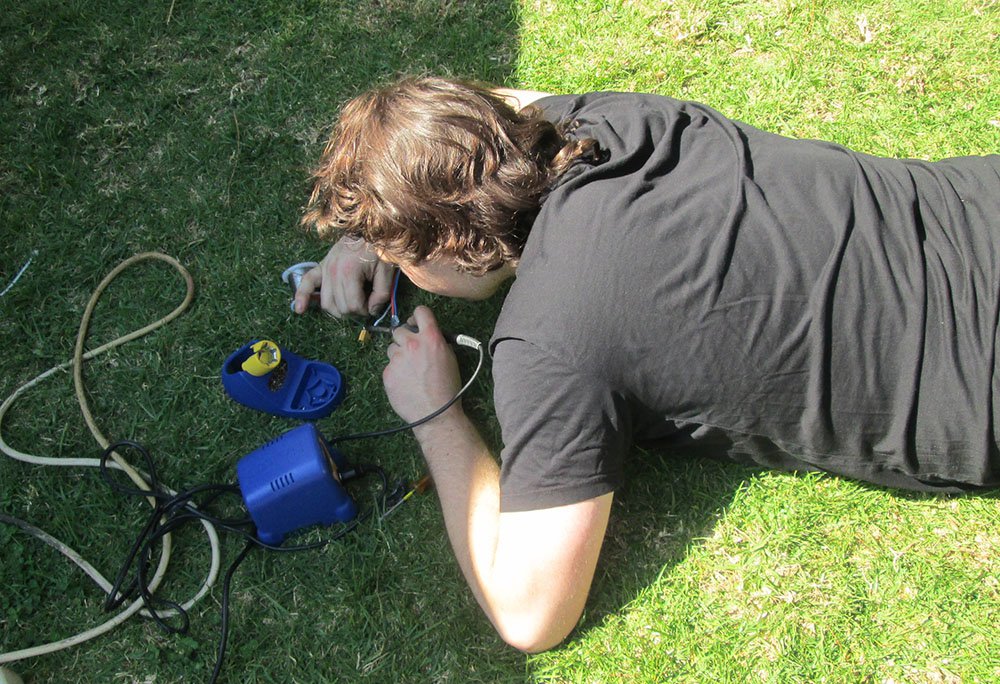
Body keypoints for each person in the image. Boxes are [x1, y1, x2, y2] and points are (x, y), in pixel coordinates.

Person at [293, 76, 1000, 652]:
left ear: (444, 245)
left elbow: (529, 615)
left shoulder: (552, 344)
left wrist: (435, 412)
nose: (394, 266)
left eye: (400, 253)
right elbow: (499, 104)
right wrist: (376, 228)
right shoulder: (612, 123)